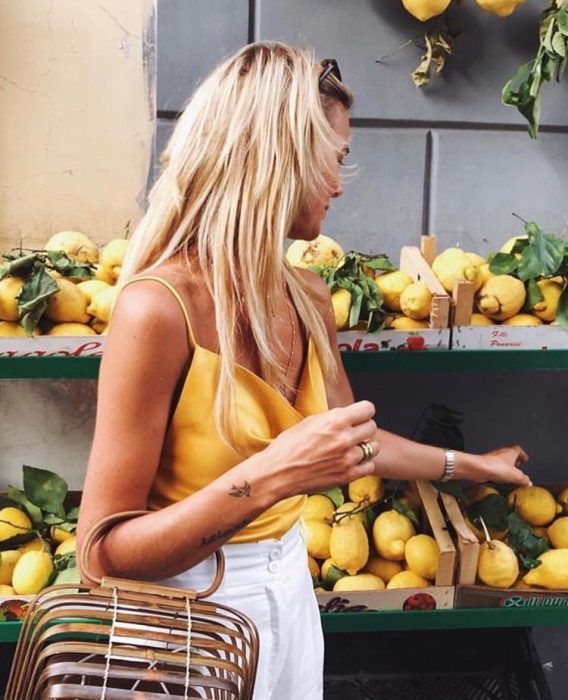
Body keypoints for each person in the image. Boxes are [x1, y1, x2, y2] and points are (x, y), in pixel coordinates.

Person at [77, 41, 531, 699]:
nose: (340, 184)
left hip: (290, 590)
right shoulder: (158, 308)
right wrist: (270, 478)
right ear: (275, 159)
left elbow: (352, 441)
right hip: (186, 611)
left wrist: (469, 467)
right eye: (333, 159)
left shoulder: (307, 294)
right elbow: (101, 554)